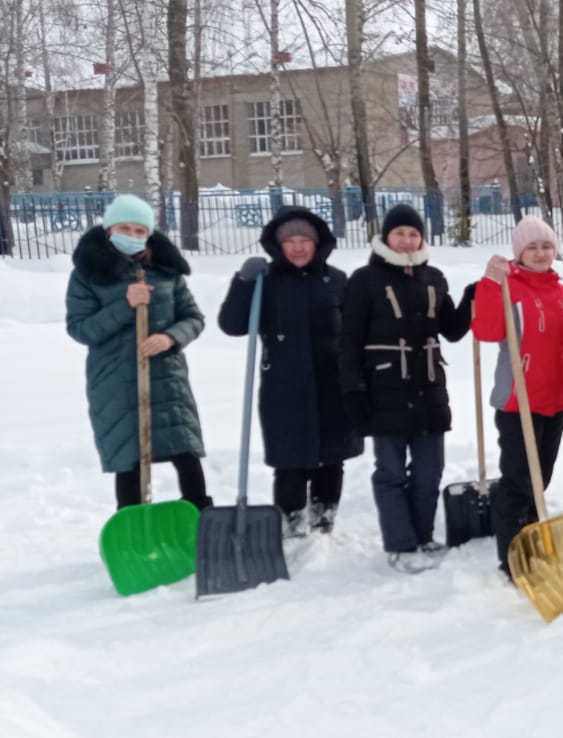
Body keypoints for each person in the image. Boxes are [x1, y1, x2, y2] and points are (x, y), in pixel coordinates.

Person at [339, 204, 471, 573]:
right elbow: (348, 342)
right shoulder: (364, 280)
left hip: (429, 392)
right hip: (383, 392)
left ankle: (424, 537)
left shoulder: (434, 279)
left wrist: (474, 297)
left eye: (414, 234)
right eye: (400, 233)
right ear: (386, 237)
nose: (407, 240)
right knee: (392, 474)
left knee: (430, 472)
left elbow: (452, 330)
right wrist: (353, 390)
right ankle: (401, 545)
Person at [218, 207, 360, 537]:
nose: (298, 247)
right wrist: (243, 283)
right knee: (289, 463)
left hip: (332, 387)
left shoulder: (337, 281)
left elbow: (357, 331)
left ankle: (323, 523)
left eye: (305, 240)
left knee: (331, 460)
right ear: (278, 245)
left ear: (317, 243)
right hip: (284, 390)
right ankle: (291, 525)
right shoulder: (265, 281)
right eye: (290, 241)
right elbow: (232, 325)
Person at [67, 195, 212, 511]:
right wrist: (125, 305)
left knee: (186, 453)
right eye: (124, 228)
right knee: (128, 457)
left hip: (167, 378)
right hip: (116, 381)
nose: (132, 236)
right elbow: (80, 328)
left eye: (139, 230)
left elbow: (193, 318)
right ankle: (133, 525)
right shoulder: (89, 273)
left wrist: (170, 338)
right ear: (109, 230)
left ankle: (200, 519)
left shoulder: (165, 270)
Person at [468, 215, 563, 577]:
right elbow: (486, 331)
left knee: (540, 480)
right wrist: (490, 284)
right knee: (518, 483)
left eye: (546, 246)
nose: (541, 253)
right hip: (519, 402)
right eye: (532, 247)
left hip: (555, 400)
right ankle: (512, 558)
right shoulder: (508, 290)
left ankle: (531, 539)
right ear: (519, 252)